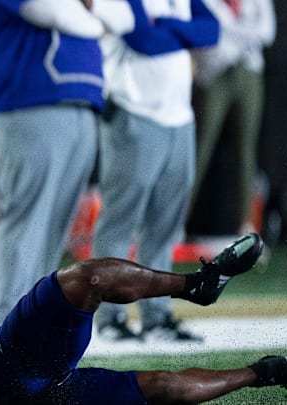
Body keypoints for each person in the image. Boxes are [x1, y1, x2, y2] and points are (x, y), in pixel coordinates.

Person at [0, 233, 287, 404]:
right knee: (161, 389)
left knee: (82, 280)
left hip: (10, 363)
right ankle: (263, 373)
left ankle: (196, 286)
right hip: (47, 399)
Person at [0, 0, 138, 325]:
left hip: (81, 99)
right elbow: (57, 13)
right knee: (29, 217)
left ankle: (36, 320)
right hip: (26, 98)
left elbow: (125, 16)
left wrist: (91, 13)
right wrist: (95, 17)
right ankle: (9, 323)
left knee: (56, 224)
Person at [91, 0, 220, 342]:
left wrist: (162, 25)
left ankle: (157, 316)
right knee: (120, 220)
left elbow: (212, 30)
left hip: (180, 115)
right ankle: (108, 316)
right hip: (133, 110)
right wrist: (179, 33)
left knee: (165, 224)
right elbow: (143, 41)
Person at [190, 0, 276, 235]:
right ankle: (175, 223)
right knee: (199, 149)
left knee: (246, 150)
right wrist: (241, 34)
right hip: (214, 72)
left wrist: (229, 32)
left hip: (249, 71)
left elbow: (267, 33)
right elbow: (206, 28)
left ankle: (246, 226)